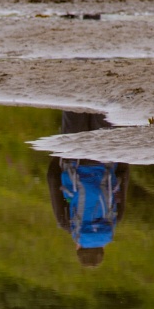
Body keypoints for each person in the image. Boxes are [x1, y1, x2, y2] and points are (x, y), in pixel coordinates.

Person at [46, 113, 127, 267]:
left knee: (102, 107)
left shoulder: (113, 221)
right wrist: (59, 155)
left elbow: (122, 178)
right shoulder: (68, 224)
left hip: (105, 158)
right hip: (74, 157)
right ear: (78, 246)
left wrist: (118, 158)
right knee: (74, 108)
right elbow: (52, 178)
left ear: (103, 247)